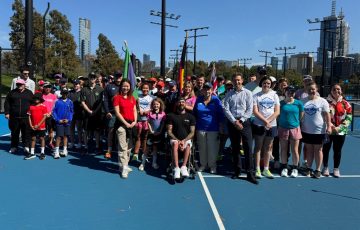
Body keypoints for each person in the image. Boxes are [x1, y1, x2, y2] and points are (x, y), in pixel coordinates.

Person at [223, 73, 258, 184]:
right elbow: (226, 109)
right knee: (235, 148)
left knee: (248, 148)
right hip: (233, 123)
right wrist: (234, 121)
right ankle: (237, 171)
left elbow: (249, 109)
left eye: (238, 80)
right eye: (234, 80)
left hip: (245, 123)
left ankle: (250, 173)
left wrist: (241, 120)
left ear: (242, 80)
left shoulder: (248, 93)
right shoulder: (229, 94)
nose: (237, 82)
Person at [301, 82, 332, 178]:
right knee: (309, 150)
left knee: (318, 150)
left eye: (313, 89)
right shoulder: (302, 101)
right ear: (306, 90)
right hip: (306, 130)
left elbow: (327, 115)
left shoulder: (322, 101)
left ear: (316, 89)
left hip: (319, 130)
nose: (311, 91)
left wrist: (329, 126)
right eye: (309, 89)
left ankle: (318, 169)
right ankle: (309, 168)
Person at [322, 84, 352, 178]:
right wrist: (330, 125)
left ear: (341, 91)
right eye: (334, 89)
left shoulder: (346, 104)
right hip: (328, 130)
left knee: (337, 150)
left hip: (340, 131)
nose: (336, 91)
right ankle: (325, 167)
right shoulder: (325, 102)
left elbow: (349, 117)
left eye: (338, 89)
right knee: (325, 150)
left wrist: (339, 128)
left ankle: (336, 169)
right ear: (331, 91)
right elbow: (322, 115)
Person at [252, 76, 280, 179]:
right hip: (259, 125)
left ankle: (266, 169)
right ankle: (257, 168)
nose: (266, 85)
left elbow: (277, 111)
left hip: (272, 125)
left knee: (268, 148)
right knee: (258, 147)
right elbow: (255, 111)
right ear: (261, 84)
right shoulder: (256, 96)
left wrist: (269, 122)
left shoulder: (274, 95)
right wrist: (265, 121)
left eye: (268, 83)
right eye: (264, 83)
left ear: (270, 84)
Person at [193, 82, 224, 174]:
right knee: (202, 147)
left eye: (209, 89)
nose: (207, 91)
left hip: (213, 128)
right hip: (200, 128)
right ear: (202, 90)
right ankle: (203, 164)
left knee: (212, 148)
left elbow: (220, 114)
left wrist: (221, 126)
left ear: (211, 90)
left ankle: (212, 165)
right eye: (205, 89)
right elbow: (194, 113)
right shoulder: (198, 99)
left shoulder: (216, 100)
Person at [113, 79, 137, 179]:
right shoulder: (117, 97)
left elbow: (135, 110)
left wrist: (135, 121)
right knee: (122, 147)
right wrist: (126, 123)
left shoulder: (132, 98)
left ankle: (122, 165)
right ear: (120, 87)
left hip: (131, 125)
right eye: (124, 86)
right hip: (121, 125)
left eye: (127, 86)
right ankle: (125, 167)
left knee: (128, 147)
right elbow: (117, 113)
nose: (125, 88)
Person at [166, 97, 196, 179]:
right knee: (175, 143)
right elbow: (169, 131)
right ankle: (176, 168)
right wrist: (179, 141)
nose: (181, 103)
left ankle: (183, 166)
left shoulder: (191, 117)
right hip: (175, 139)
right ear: (176, 104)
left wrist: (184, 141)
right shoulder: (171, 116)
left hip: (186, 140)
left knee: (189, 144)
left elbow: (192, 132)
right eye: (179, 102)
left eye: (183, 102)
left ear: (185, 104)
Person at [278, 86, 304, 178]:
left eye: (292, 92)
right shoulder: (280, 103)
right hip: (283, 128)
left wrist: (295, 123)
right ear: (285, 92)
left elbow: (301, 115)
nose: (290, 93)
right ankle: (284, 167)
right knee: (284, 149)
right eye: (288, 91)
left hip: (295, 129)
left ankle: (295, 168)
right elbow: (278, 115)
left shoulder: (299, 104)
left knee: (295, 150)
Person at [5, 78, 33, 154]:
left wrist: (32, 113)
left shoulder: (29, 93)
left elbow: (33, 104)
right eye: (18, 84)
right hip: (14, 117)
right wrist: (7, 113)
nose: (19, 85)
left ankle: (26, 146)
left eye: (20, 84)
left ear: (24, 85)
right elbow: (7, 103)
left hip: (26, 117)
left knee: (26, 133)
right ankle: (14, 147)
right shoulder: (12, 93)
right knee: (14, 132)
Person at [138, 98, 166, 171]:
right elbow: (149, 122)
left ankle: (154, 163)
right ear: (152, 105)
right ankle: (143, 163)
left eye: (157, 104)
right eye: (154, 104)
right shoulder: (150, 113)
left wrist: (159, 131)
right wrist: (151, 130)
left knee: (155, 149)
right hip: (151, 133)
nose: (156, 105)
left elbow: (163, 123)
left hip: (158, 134)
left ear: (160, 105)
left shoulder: (163, 113)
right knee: (147, 149)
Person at [81, 72, 104, 154]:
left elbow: (101, 102)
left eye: (94, 77)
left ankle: (97, 147)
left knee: (97, 131)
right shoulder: (84, 89)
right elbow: (83, 102)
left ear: (96, 78)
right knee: (86, 131)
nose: (92, 78)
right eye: (91, 77)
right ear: (89, 77)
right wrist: (89, 111)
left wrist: (95, 111)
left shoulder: (100, 89)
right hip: (87, 114)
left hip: (97, 114)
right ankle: (85, 147)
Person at [103, 73, 122, 159]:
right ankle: (109, 150)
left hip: (122, 114)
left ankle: (120, 150)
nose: (118, 77)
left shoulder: (124, 86)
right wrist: (107, 111)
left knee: (121, 132)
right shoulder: (109, 86)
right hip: (112, 113)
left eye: (120, 76)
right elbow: (105, 100)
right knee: (110, 132)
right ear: (114, 77)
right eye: (117, 76)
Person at [133, 83, 154, 161]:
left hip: (147, 120)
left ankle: (144, 153)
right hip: (139, 119)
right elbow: (135, 107)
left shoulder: (151, 98)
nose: (145, 90)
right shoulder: (138, 98)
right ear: (141, 89)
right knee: (138, 136)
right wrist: (139, 110)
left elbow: (153, 108)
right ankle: (135, 153)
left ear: (149, 89)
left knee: (145, 137)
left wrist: (147, 111)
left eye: (147, 88)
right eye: (144, 88)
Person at [52, 88, 74, 159]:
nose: (65, 94)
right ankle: (56, 152)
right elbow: (53, 112)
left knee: (65, 136)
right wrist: (58, 120)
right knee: (58, 137)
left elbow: (71, 112)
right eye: (63, 93)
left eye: (66, 93)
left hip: (67, 122)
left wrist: (69, 119)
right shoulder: (57, 101)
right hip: (59, 122)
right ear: (61, 93)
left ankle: (65, 150)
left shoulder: (70, 102)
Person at [27, 93, 48, 160]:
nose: (36, 99)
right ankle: (32, 153)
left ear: (40, 99)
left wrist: (38, 125)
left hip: (41, 126)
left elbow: (44, 117)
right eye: (35, 98)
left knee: (42, 138)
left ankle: (42, 153)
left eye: (38, 98)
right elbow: (29, 116)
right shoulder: (31, 107)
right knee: (33, 139)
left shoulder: (43, 107)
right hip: (33, 127)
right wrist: (31, 125)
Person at [68, 79, 84, 149]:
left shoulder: (82, 92)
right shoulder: (70, 92)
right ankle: (72, 142)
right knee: (71, 129)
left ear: (79, 85)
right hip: (71, 114)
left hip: (79, 113)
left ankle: (80, 142)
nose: (75, 85)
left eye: (77, 84)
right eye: (74, 84)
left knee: (79, 129)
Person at [42, 82, 57, 149]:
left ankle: (50, 142)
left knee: (51, 130)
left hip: (51, 116)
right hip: (43, 116)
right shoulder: (41, 96)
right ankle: (44, 143)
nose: (48, 88)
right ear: (44, 88)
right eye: (46, 87)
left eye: (49, 87)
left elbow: (55, 106)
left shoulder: (54, 96)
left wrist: (50, 113)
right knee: (43, 130)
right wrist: (44, 114)